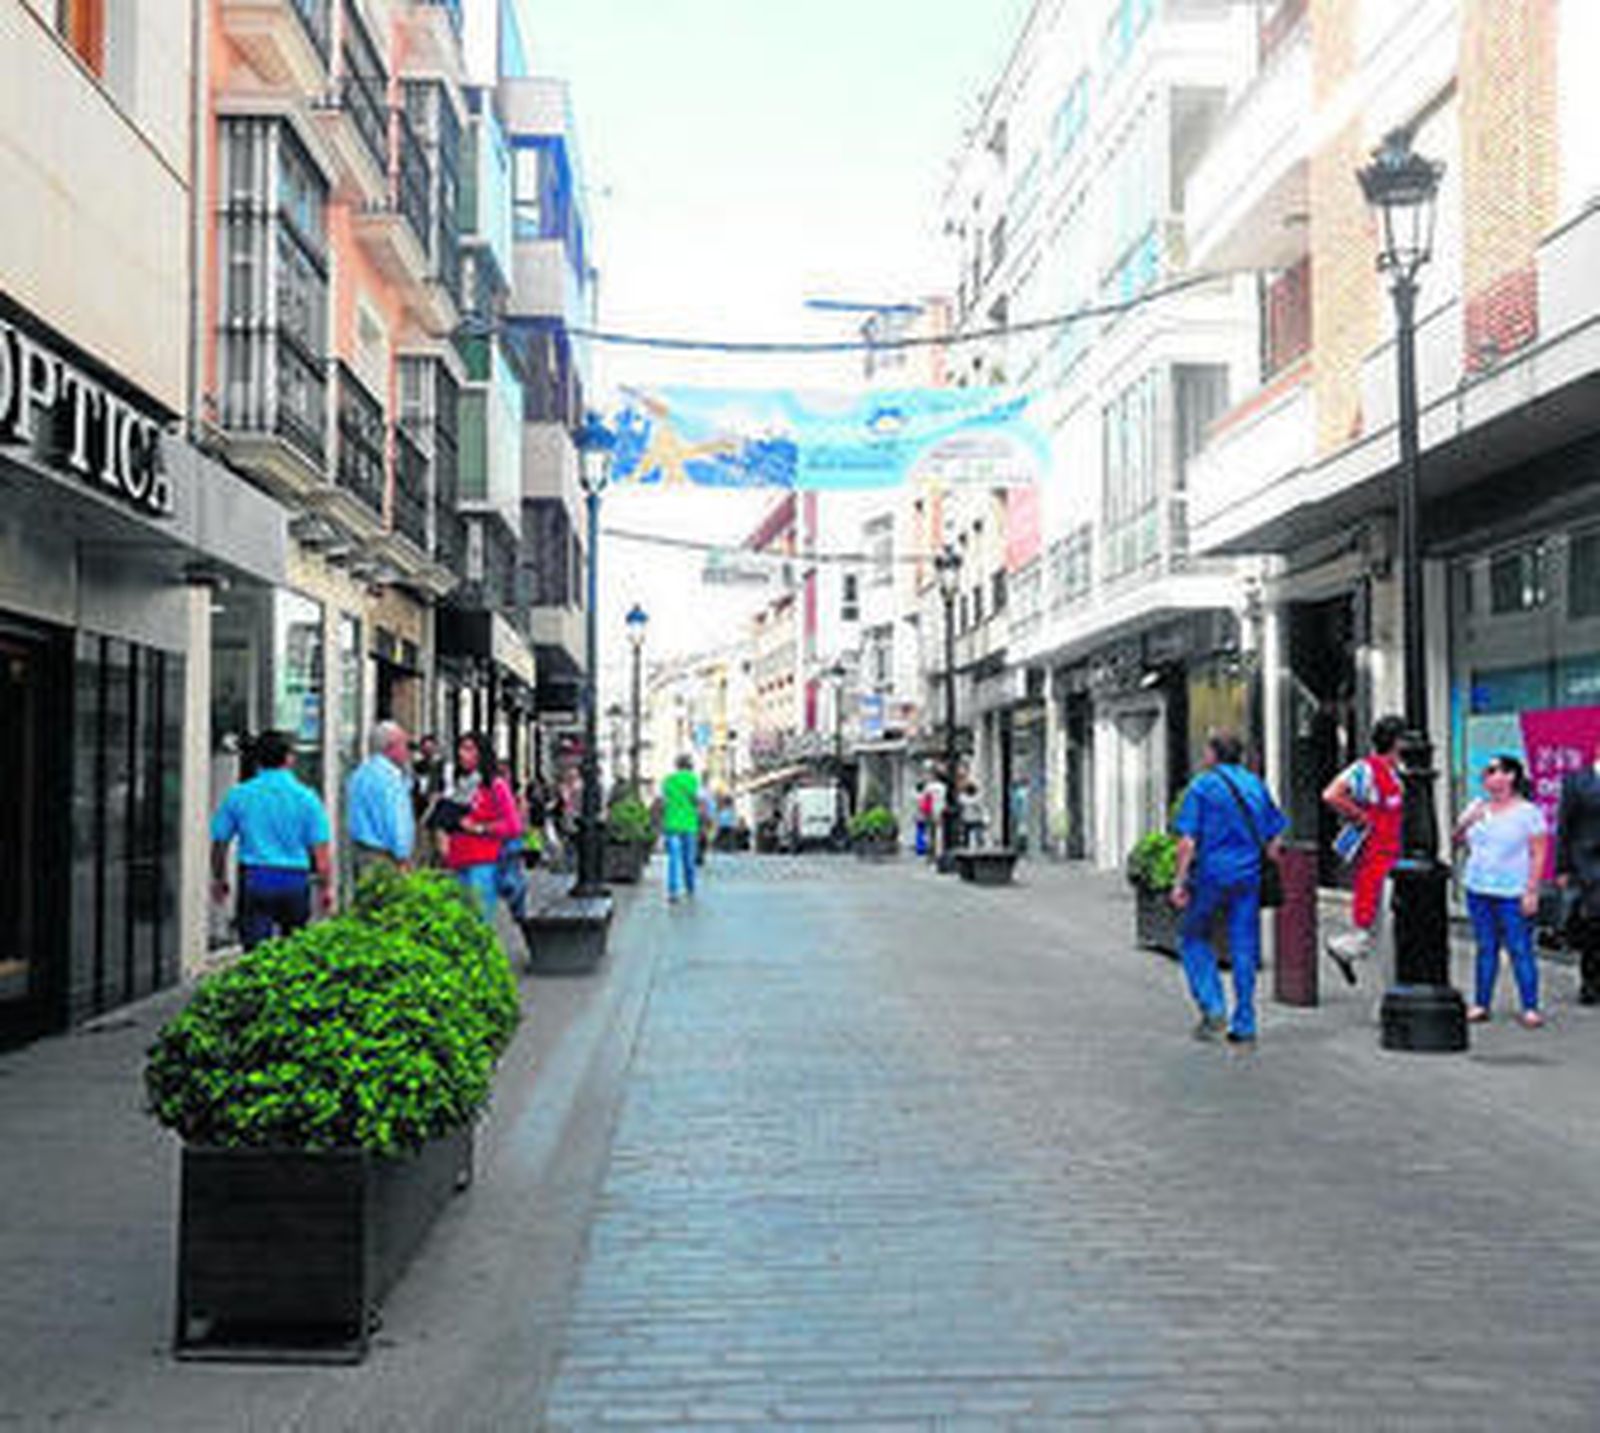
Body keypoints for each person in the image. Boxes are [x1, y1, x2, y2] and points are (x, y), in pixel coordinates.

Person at [1171, 730, 1289, 1046]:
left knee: (1192, 936)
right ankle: (1245, 1024)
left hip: (1210, 875)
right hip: (1248, 876)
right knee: (1244, 947)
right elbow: (1276, 838)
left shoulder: (1202, 786)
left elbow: (1187, 841)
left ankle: (1213, 1007)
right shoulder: (1256, 785)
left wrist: (1179, 882)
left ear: (1213, 754)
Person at [209, 729, 333, 951]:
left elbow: (220, 842)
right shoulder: (307, 798)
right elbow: (321, 853)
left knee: (255, 953)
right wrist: (325, 889)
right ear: (289, 759)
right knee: (293, 952)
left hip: (256, 878)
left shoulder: (239, 794)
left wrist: (219, 878)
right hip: (295, 880)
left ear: (257, 759)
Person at [1455, 755, 1548, 1026]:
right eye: (1486, 771)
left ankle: (1530, 1006)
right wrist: (1466, 822)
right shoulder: (1477, 806)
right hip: (1478, 886)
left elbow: (1538, 853)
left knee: (1520, 947)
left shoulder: (1528, 812)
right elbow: (1458, 840)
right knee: (1486, 947)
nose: (1487, 776)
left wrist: (1531, 891)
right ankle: (1481, 1003)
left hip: (1512, 890)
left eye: (1494, 771)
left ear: (1510, 777)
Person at [1321, 715, 1406, 985]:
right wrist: (1360, 816)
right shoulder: (1366, 769)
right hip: (1378, 857)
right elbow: (1331, 794)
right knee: (1382, 926)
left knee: (1385, 927)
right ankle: (1388, 989)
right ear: (1396, 742)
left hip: (1395, 855)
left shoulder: (1400, 771)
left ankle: (1346, 948)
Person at [441, 733, 523, 924]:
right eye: (461, 748)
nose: (462, 754)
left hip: (483, 860)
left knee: (480, 920)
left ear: (481, 754)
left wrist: (480, 828)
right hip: (457, 859)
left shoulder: (495, 785)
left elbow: (513, 825)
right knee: (462, 922)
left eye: (469, 749)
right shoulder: (459, 785)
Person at [1556, 744, 1600, 1005]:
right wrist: (1562, 867)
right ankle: (1590, 983)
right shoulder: (1577, 781)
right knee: (1593, 926)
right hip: (1589, 862)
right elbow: (1565, 825)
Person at [346, 719, 415, 882]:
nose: (408, 752)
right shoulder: (390, 777)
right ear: (391, 747)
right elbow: (396, 820)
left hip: (362, 851)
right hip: (385, 856)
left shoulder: (360, 774)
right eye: (405, 745)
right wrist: (403, 856)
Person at [660, 754, 701, 902]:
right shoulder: (692, 779)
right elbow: (695, 799)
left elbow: (664, 802)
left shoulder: (668, 781)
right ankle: (690, 886)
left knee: (673, 859)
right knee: (688, 858)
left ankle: (673, 890)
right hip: (689, 824)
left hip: (671, 824)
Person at [958, 778, 988, 850]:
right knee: (979, 837)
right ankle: (980, 849)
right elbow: (982, 809)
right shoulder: (978, 798)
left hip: (966, 819)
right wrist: (985, 818)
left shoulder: (962, 798)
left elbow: (960, 807)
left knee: (966, 838)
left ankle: (966, 849)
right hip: (976, 819)